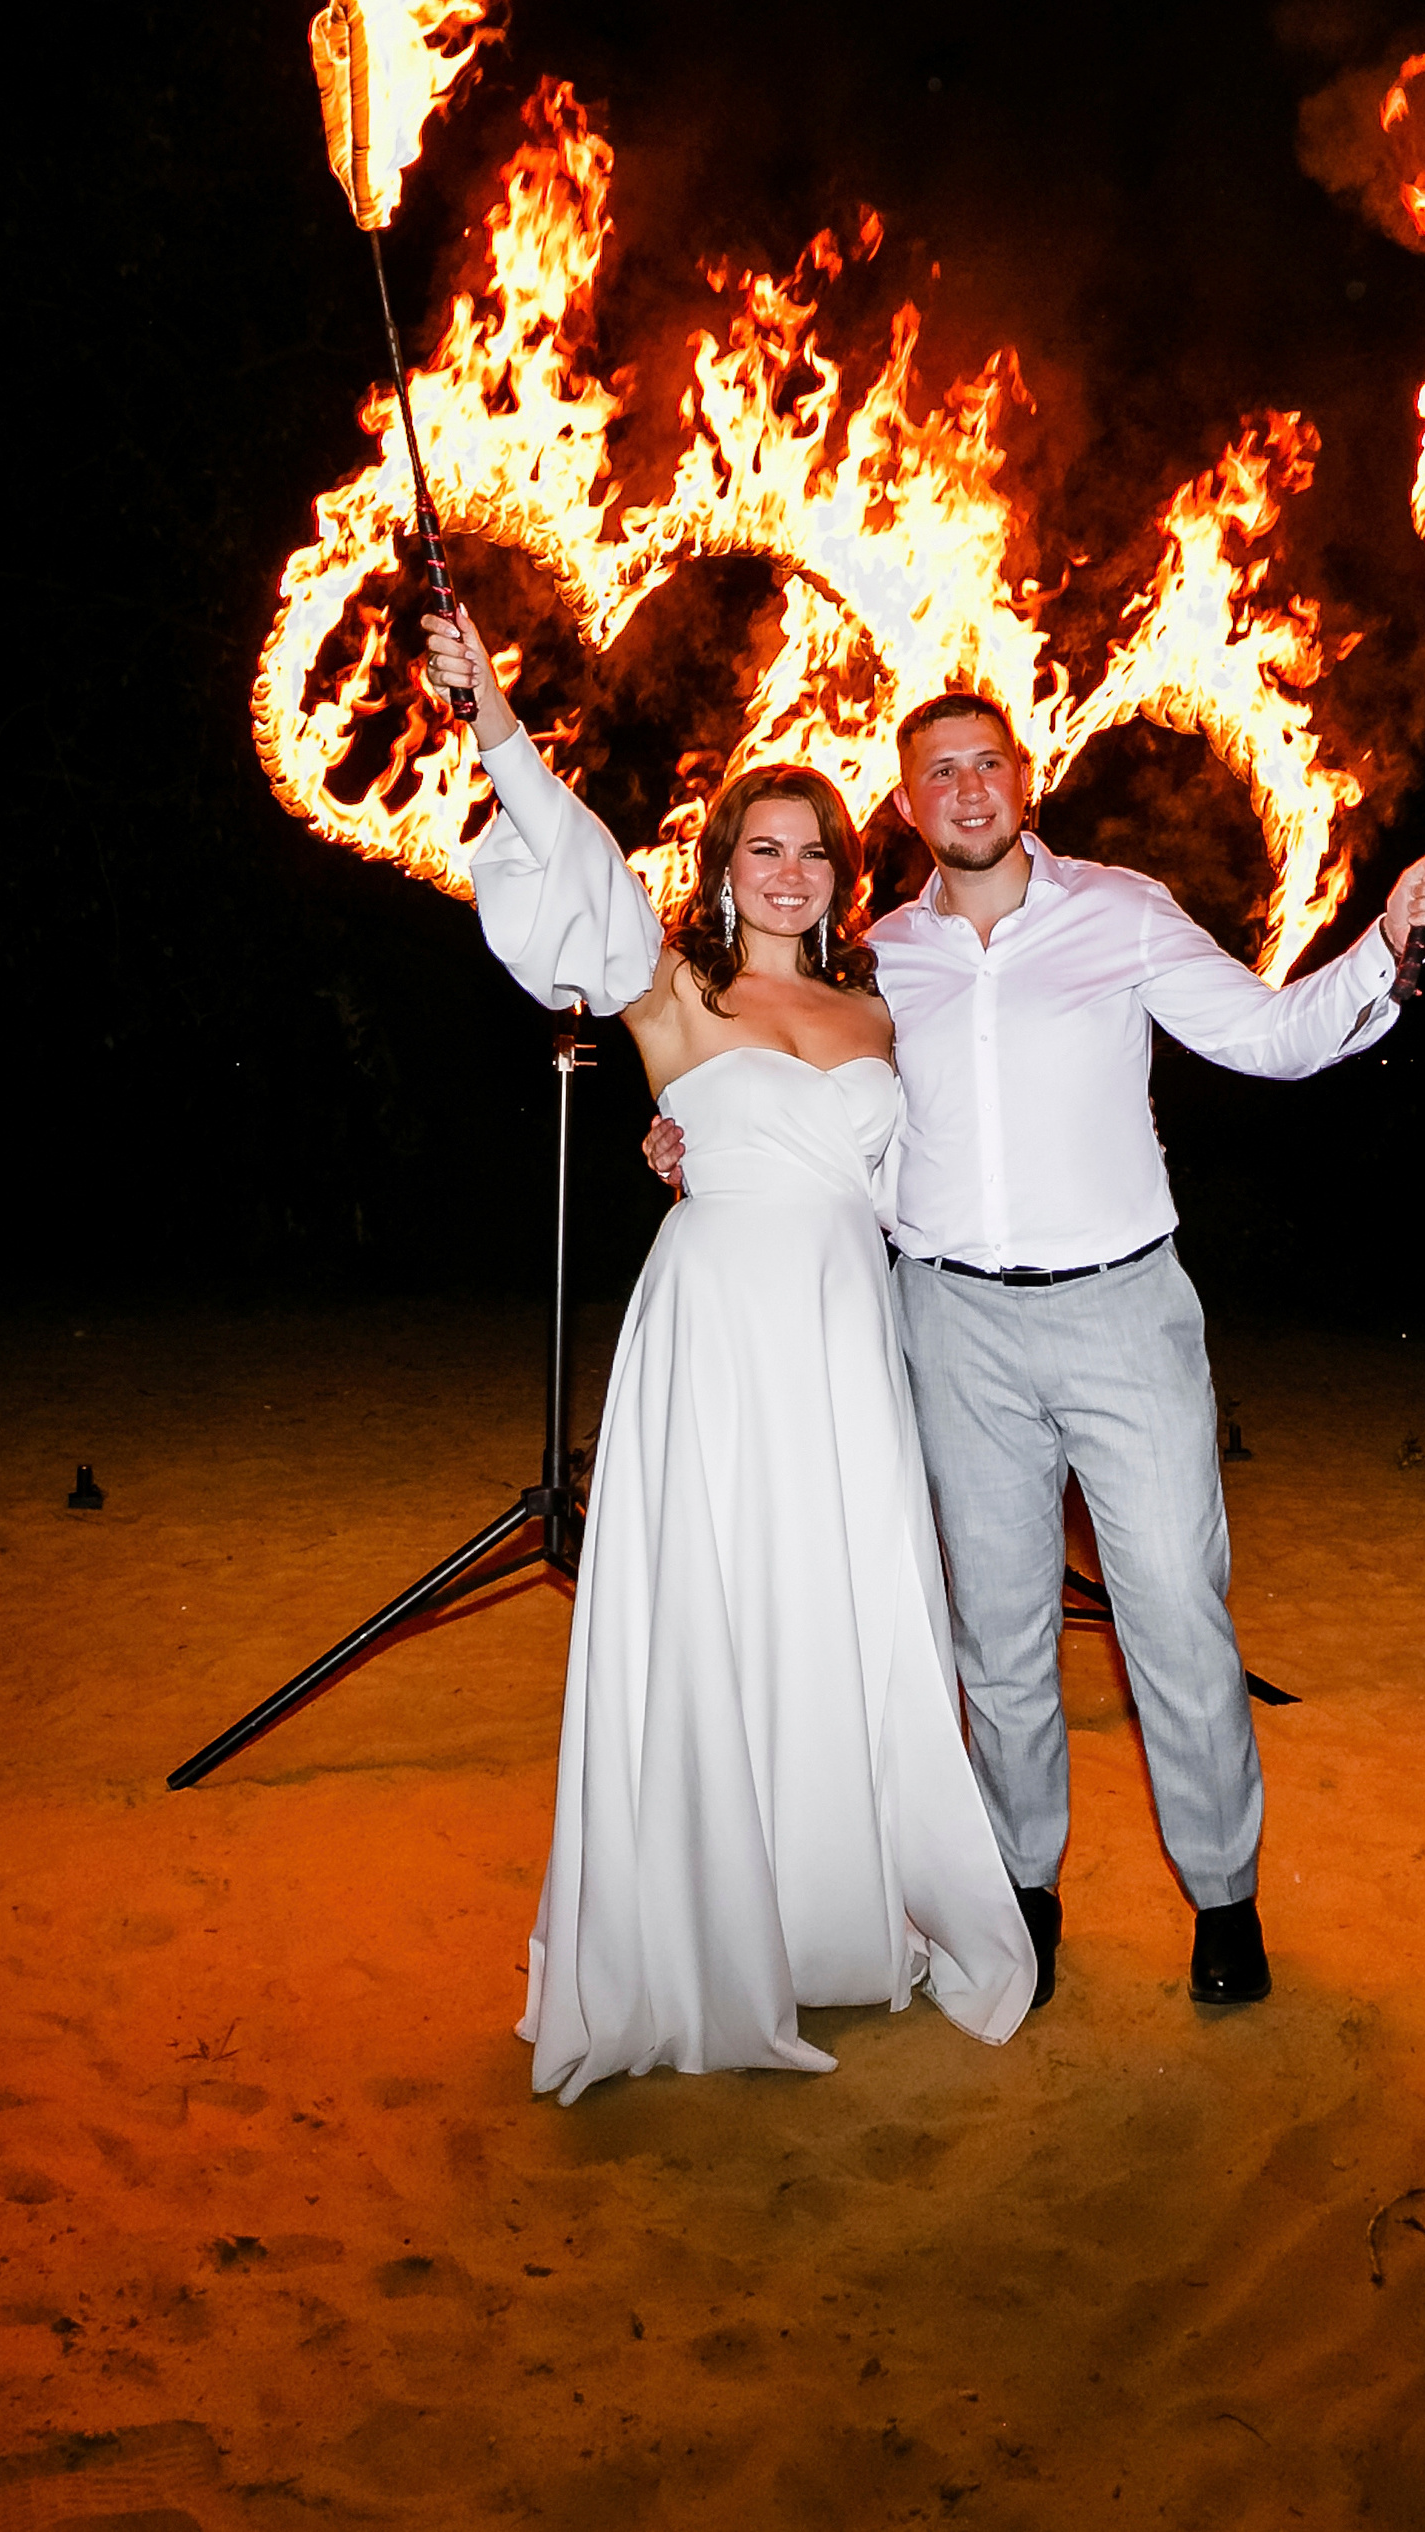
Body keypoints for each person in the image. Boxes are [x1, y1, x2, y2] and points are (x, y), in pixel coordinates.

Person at [647, 692, 1425, 2011]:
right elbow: (802, 1104)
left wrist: (1387, 946)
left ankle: (1224, 1899)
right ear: (905, 808)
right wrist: (688, 1137)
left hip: (1122, 1311)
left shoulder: (1123, 910)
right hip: (951, 1321)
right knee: (999, 1636)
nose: (966, 790)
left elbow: (1268, 1037)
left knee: (1176, 1619)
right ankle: (1021, 1887)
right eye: (937, 776)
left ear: (1026, 780)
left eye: (987, 764)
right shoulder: (874, 961)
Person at [420, 607, 1037, 2103]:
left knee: (842, 1607)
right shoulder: (676, 993)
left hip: (848, 1341)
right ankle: (700, 1932)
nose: (792, 872)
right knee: (717, 1604)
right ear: (724, 869)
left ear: (843, 871)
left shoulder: (881, 1004)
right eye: (764, 848)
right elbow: (575, 880)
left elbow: (930, 1183)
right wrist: (500, 724)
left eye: (814, 850)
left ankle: (834, 1912)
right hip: (714, 1336)